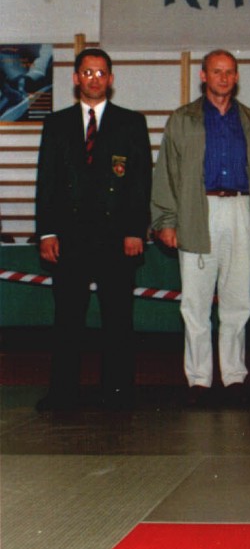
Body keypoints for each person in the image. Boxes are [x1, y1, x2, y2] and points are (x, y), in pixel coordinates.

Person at [35, 48, 151, 411]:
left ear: (111, 79)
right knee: (67, 318)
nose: (94, 79)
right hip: (69, 237)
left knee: (117, 318)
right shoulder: (56, 124)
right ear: (75, 78)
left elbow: (140, 182)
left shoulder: (131, 123)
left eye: (101, 73)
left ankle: (118, 393)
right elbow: (46, 180)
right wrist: (46, 232)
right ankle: (62, 393)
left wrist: (135, 230)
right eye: (87, 73)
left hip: (116, 236)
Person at [151, 50, 250, 405]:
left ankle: (234, 377)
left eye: (229, 72)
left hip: (241, 208)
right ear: (203, 76)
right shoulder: (182, 119)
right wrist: (166, 221)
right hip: (199, 210)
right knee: (195, 303)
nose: (223, 78)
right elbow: (166, 173)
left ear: (236, 77)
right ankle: (199, 379)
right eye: (217, 71)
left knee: (237, 301)